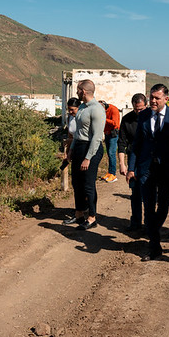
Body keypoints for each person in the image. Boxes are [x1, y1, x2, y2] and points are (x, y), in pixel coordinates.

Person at [127, 84, 169, 261]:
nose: (153, 101)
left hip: (167, 168)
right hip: (146, 169)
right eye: (151, 97)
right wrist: (132, 168)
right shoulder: (144, 115)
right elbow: (136, 144)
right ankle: (154, 246)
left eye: (157, 98)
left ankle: (153, 229)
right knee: (148, 206)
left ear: (166, 99)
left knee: (164, 206)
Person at [64, 80, 106, 230]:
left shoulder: (97, 109)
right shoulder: (81, 107)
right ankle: (79, 214)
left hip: (92, 148)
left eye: (78, 90)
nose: (76, 92)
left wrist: (88, 158)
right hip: (79, 146)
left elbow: (96, 137)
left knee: (88, 184)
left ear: (84, 91)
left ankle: (92, 217)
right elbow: (78, 133)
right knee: (77, 183)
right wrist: (71, 150)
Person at [118, 93, 147, 232]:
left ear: (146, 105)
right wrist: (122, 164)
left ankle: (149, 223)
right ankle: (135, 222)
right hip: (133, 159)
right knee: (135, 192)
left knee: (148, 193)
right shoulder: (127, 120)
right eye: (136, 109)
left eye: (141, 109)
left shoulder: (151, 118)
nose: (139, 112)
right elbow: (122, 143)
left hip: (148, 159)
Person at [100, 101, 120, 183]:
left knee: (112, 153)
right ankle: (109, 172)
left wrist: (104, 118)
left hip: (113, 133)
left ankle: (113, 174)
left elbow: (115, 123)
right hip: (107, 133)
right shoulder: (102, 112)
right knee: (108, 153)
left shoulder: (113, 110)